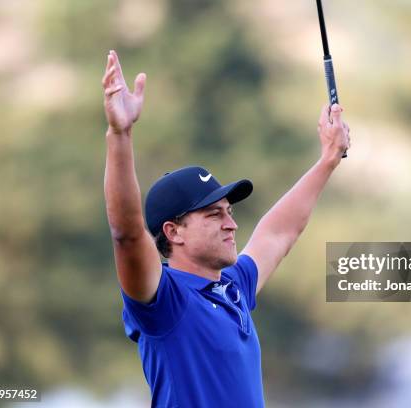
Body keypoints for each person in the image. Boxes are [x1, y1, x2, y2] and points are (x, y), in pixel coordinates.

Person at [102, 49, 350, 407]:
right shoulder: (164, 300)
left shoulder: (232, 286)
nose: (232, 224)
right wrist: (119, 133)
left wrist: (327, 160)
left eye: (229, 211)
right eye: (213, 215)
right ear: (174, 232)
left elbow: (279, 233)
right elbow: (126, 233)